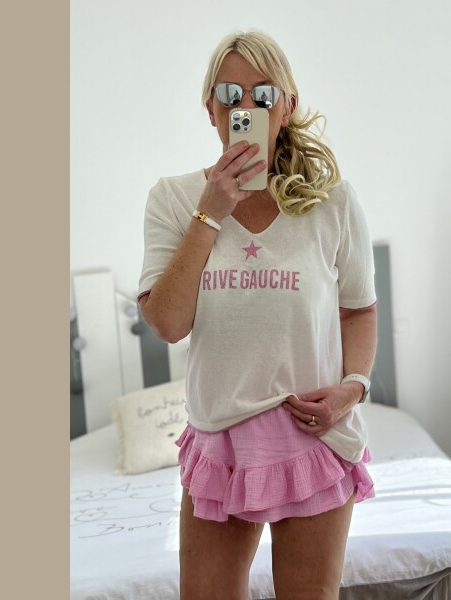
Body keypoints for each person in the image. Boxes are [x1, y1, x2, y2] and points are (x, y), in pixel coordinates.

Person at [138, 30, 378, 600]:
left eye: (263, 95)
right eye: (230, 94)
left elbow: (359, 311)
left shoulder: (333, 201)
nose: (245, 106)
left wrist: (353, 389)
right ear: (211, 109)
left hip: (313, 437)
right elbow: (168, 324)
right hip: (219, 441)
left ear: (286, 107)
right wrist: (211, 211)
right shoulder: (173, 198)